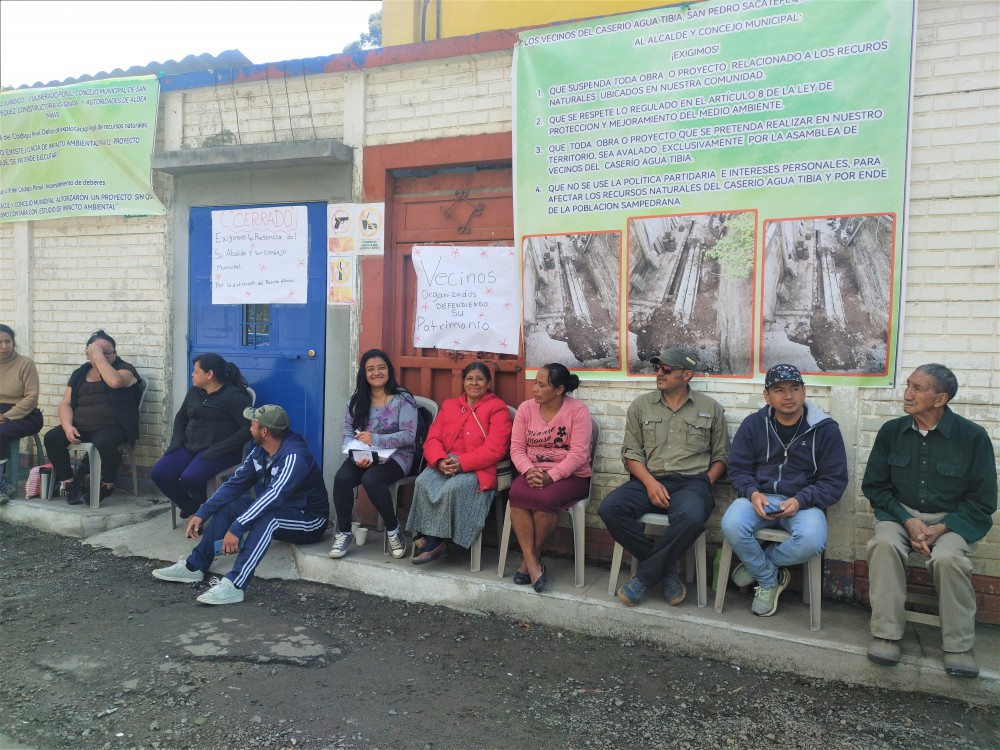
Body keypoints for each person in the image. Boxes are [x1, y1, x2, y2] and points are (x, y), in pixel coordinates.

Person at [863, 364, 996, 678]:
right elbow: (875, 487)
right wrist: (908, 521)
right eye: (908, 385)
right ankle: (886, 634)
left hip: (951, 521)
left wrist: (941, 527)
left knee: (949, 559)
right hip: (900, 515)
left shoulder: (972, 437)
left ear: (940, 399)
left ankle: (959, 646)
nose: (907, 394)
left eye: (918, 388)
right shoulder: (891, 432)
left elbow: (983, 500)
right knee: (883, 544)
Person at [151, 404, 329, 605]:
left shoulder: (294, 456)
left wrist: (236, 529)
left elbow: (273, 497)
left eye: (252, 424)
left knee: (269, 520)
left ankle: (235, 584)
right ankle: (195, 566)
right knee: (231, 505)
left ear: (264, 431)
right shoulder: (260, 450)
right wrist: (202, 512)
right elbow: (234, 484)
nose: (249, 428)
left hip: (309, 519)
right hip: (279, 510)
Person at [598, 347, 729, 607]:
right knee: (610, 508)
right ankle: (666, 570)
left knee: (692, 517)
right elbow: (631, 453)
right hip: (648, 478)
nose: (659, 373)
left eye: (666, 369)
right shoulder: (641, 406)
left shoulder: (710, 408)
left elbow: (721, 457)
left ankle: (645, 577)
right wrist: (649, 482)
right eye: (656, 368)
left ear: (687, 375)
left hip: (691, 483)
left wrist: (704, 484)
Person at [720, 364, 848, 617]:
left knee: (812, 540)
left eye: (794, 389)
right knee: (732, 524)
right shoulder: (754, 424)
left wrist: (801, 500)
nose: (788, 396)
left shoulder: (825, 429)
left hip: (804, 502)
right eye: (779, 390)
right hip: (760, 497)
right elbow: (738, 468)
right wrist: (752, 493)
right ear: (767, 396)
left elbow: (834, 481)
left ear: (804, 392)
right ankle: (769, 580)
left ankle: (763, 565)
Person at [407, 362, 512, 565]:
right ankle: (429, 538)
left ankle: (437, 543)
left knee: (453, 488)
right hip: (446, 460)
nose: (474, 383)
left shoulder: (497, 408)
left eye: (480, 379)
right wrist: (439, 461)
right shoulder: (450, 405)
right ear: (463, 381)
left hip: (479, 466)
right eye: (470, 378)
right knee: (423, 481)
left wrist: (462, 463)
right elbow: (432, 439)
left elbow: (495, 449)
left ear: (488, 383)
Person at [507, 363, 592, 592]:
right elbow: (516, 449)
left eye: (541, 385)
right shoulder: (526, 409)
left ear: (559, 389)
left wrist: (551, 476)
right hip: (533, 472)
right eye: (535, 383)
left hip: (570, 476)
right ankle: (534, 563)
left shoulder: (577, 411)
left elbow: (579, 454)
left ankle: (527, 562)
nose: (534, 389)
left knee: (545, 500)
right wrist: (528, 471)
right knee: (516, 493)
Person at [329, 349, 417, 560]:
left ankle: (393, 529)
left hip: (398, 455)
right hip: (363, 454)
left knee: (372, 479)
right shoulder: (357, 400)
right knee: (342, 478)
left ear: (389, 370)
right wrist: (356, 455)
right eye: (370, 369)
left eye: (381, 367)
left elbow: (408, 436)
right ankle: (344, 532)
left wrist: (375, 440)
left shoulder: (402, 399)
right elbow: (348, 434)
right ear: (364, 373)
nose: (376, 372)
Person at [43, 329, 143, 505]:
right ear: (87, 354)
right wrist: (67, 426)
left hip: (114, 427)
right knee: (52, 438)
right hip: (81, 426)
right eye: (98, 351)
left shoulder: (125, 370)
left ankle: (107, 484)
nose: (103, 355)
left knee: (103, 440)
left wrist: (99, 358)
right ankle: (70, 482)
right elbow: (66, 403)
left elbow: (114, 381)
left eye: (108, 352)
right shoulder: (80, 373)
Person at [151, 353, 252, 518]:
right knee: (159, 472)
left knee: (190, 477)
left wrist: (220, 448)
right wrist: (176, 442)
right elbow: (181, 418)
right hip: (190, 446)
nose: (192, 374)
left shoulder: (234, 396)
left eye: (196, 371)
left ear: (210, 374)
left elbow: (249, 428)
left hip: (220, 451)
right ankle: (194, 509)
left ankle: (200, 513)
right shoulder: (195, 392)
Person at [0, 325, 44, 504]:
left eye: (7, 341)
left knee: (1, 433)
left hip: (24, 413)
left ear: (13, 342)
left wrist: (5, 416)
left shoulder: (25, 363)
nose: (4, 346)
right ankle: (2, 484)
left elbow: (32, 397)